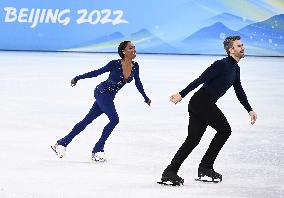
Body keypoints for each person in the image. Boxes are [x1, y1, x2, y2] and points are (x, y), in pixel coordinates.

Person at [159, 36, 257, 185]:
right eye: (238, 46)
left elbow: (239, 91)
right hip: (201, 102)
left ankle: (170, 171)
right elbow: (201, 79)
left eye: (242, 45)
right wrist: (182, 94)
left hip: (202, 103)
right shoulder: (221, 64)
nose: (242, 48)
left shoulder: (235, 69)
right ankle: (205, 167)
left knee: (192, 140)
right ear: (231, 50)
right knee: (224, 130)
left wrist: (249, 110)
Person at [51, 41, 151, 162]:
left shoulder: (136, 66)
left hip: (109, 97)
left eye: (134, 47)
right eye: (130, 48)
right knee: (114, 119)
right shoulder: (114, 64)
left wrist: (145, 97)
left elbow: (138, 83)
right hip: (101, 92)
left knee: (86, 121)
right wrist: (77, 77)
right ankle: (98, 149)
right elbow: (97, 72)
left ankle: (61, 143)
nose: (134, 49)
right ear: (123, 51)